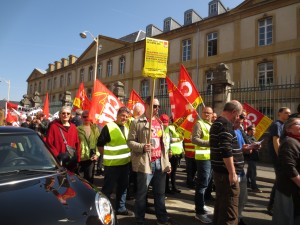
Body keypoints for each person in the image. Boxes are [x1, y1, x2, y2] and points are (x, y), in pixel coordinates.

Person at [127, 96, 173, 225]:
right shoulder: (137, 122)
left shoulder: (159, 122)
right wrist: (142, 147)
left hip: (160, 163)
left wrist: (167, 163)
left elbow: (164, 145)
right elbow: (130, 142)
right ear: (146, 105)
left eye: (158, 106)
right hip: (146, 163)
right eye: (154, 105)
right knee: (142, 193)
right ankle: (140, 219)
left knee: (160, 193)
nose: (157, 108)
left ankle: (162, 218)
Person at [209, 100, 244, 225]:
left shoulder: (218, 122)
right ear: (234, 112)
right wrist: (232, 172)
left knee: (221, 206)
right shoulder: (225, 124)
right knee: (230, 211)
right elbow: (225, 149)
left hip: (221, 172)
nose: (238, 118)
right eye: (239, 115)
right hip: (225, 174)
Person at [97, 106, 133, 216]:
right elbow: (100, 145)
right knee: (108, 189)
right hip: (112, 165)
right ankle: (104, 210)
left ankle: (120, 208)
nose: (124, 118)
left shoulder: (127, 127)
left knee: (123, 187)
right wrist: (108, 155)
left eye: (126, 117)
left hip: (125, 164)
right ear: (117, 115)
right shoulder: (109, 127)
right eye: (122, 116)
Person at [272, 117, 300, 225]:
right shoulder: (289, 142)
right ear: (288, 129)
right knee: (286, 218)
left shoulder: (296, 140)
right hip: (288, 189)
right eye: (299, 124)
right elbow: (289, 167)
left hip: (294, 188)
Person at [191, 106, 214, 224]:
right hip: (202, 158)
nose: (207, 114)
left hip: (211, 158)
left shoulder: (211, 125)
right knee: (202, 184)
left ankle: (202, 205)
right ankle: (199, 212)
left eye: (209, 113)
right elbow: (194, 139)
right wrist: (209, 143)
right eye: (205, 112)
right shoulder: (199, 124)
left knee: (207, 184)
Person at [267, 107, 291, 215]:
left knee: (280, 180)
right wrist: (280, 156)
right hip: (278, 158)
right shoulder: (277, 125)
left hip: (282, 157)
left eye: (289, 113)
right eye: (286, 113)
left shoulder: (284, 125)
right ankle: (272, 205)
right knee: (279, 181)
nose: (288, 115)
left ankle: (273, 205)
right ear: (279, 113)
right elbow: (276, 141)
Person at [46, 106, 80, 172]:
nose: (65, 115)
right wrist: (57, 155)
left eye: (68, 113)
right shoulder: (54, 126)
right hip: (59, 161)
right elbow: (49, 143)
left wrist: (78, 158)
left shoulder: (73, 127)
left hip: (71, 160)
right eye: (63, 113)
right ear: (60, 114)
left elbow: (77, 143)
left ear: (70, 115)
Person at [77, 110, 100, 184]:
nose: (86, 118)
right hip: (80, 157)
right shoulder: (77, 129)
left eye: (88, 116)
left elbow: (98, 142)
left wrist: (97, 154)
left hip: (91, 157)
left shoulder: (95, 129)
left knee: (89, 179)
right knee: (80, 179)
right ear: (81, 118)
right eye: (84, 117)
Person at [162, 114, 183, 194]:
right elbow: (168, 140)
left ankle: (174, 187)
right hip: (171, 153)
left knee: (174, 172)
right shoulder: (170, 128)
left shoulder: (180, 128)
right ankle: (167, 188)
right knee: (168, 171)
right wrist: (177, 139)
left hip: (177, 153)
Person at [245, 125, 262, 193]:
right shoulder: (246, 137)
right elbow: (247, 145)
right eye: (252, 130)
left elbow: (256, 144)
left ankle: (246, 183)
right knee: (253, 172)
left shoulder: (253, 137)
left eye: (254, 130)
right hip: (250, 156)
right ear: (248, 131)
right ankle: (254, 187)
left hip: (254, 156)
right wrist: (254, 145)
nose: (254, 131)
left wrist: (259, 145)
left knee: (250, 171)